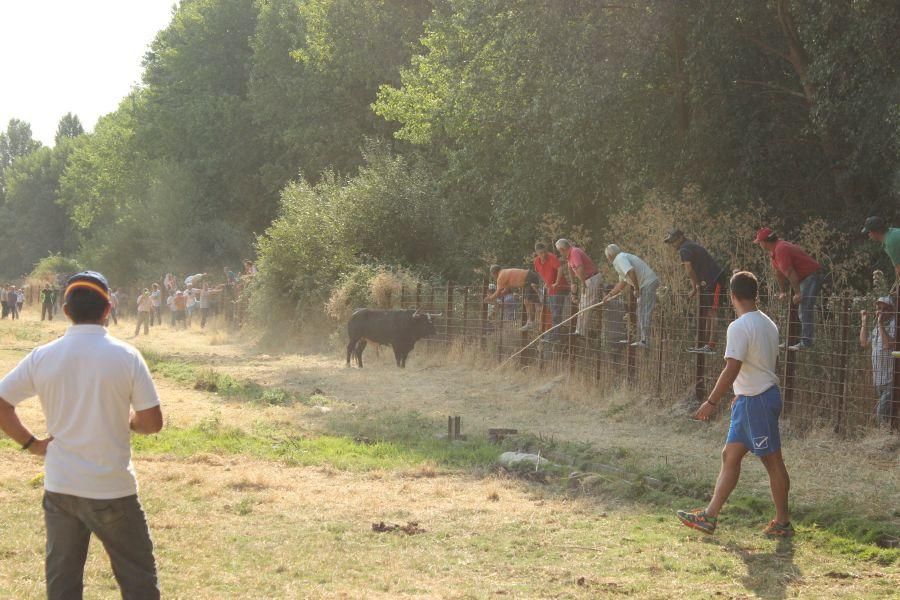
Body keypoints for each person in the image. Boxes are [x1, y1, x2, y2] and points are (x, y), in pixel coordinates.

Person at [0, 271, 162, 598]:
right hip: (111, 487)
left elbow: (2, 403)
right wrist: (129, 421)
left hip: (61, 487)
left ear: (65, 310)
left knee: (62, 583)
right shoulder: (126, 356)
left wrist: (32, 444)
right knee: (138, 581)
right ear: (108, 309)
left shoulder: (42, 356)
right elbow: (152, 422)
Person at [677, 271, 793, 538]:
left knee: (773, 462)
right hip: (751, 399)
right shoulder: (768, 323)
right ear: (755, 294)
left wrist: (711, 401)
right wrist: (740, 392)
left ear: (732, 296)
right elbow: (758, 363)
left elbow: (732, 367)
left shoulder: (739, 326)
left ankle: (782, 524)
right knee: (730, 455)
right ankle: (709, 516)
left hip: (757, 401)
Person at [753, 227, 822, 351]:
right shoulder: (774, 252)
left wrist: (798, 293)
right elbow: (779, 273)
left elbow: (790, 272)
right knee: (794, 308)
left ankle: (807, 341)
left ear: (765, 242)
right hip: (803, 278)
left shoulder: (781, 249)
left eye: (759, 242)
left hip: (811, 276)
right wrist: (782, 291)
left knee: (804, 306)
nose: (759, 245)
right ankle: (793, 340)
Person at [664, 229, 727, 354]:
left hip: (714, 279)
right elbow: (692, 270)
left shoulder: (684, 249)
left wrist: (696, 286)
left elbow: (689, 270)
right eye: (670, 242)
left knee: (712, 312)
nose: (672, 244)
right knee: (708, 312)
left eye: (673, 241)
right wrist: (695, 287)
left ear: (681, 238)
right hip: (708, 280)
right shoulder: (688, 245)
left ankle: (711, 346)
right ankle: (705, 345)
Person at [601, 244, 659, 348]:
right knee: (641, 311)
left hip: (646, 284)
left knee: (643, 311)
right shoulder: (621, 259)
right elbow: (622, 283)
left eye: (607, 257)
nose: (607, 259)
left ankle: (645, 341)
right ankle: (643, 339)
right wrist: (609, 295)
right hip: (646, 283)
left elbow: (631, 271)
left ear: (610, 255)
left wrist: (636, 288)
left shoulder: (620, 259)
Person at [860, 296, 897, 426]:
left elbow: (887, 345)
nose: (881, 311)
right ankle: (889, 434)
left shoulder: (894, 324)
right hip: (878, 380)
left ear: (892, 310)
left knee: (881, 412)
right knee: (887, 413)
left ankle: (884, 438)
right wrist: (864, 322)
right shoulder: (877, 327)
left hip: (891, 380)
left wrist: (880, 324)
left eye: (885, 309)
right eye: (879, 308)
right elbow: (864, 343)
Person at [554, 239, 602, 338]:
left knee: (585, 306)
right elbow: (570, 269)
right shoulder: (570, 255)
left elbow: (580, 268)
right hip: (587, 279)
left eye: (559, 251)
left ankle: (581, 332)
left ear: (562, 249)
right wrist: (573, 284)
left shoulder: (574, 252)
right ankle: (580, 330)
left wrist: (583, 283)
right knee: (584, 305)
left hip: (590, 279)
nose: (559, 253)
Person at [484, 266, 543, 331]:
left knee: (527, 302)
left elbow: (497, 293)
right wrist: (495, 296)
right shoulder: (504, 273)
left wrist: (489, 298)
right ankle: (533, 321)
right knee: (531, 301)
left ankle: (530, 322)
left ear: (494, 273)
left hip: (528, 279)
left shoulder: (501, 277)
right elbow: (505, 291)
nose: (493, 277)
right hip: (531, 276)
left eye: (492, 275)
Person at [533, 242, 570, 340]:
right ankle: (553, 332)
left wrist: (557, 282)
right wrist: (546, 282)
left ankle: (555, 335)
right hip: (550, 289)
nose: (543, 254)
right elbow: (540, 272)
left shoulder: (552, 257)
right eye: (541, 253)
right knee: (551, 311)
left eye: (545, 252)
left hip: (559, 288)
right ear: (537, 253)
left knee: (556, 312)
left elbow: (560, 268)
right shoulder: (536, 262)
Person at [861, 216, 900, 287]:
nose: (868, 235)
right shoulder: (890, 234)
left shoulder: (890, 242)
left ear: (874, 232)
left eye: (869, 232)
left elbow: (899, 269)